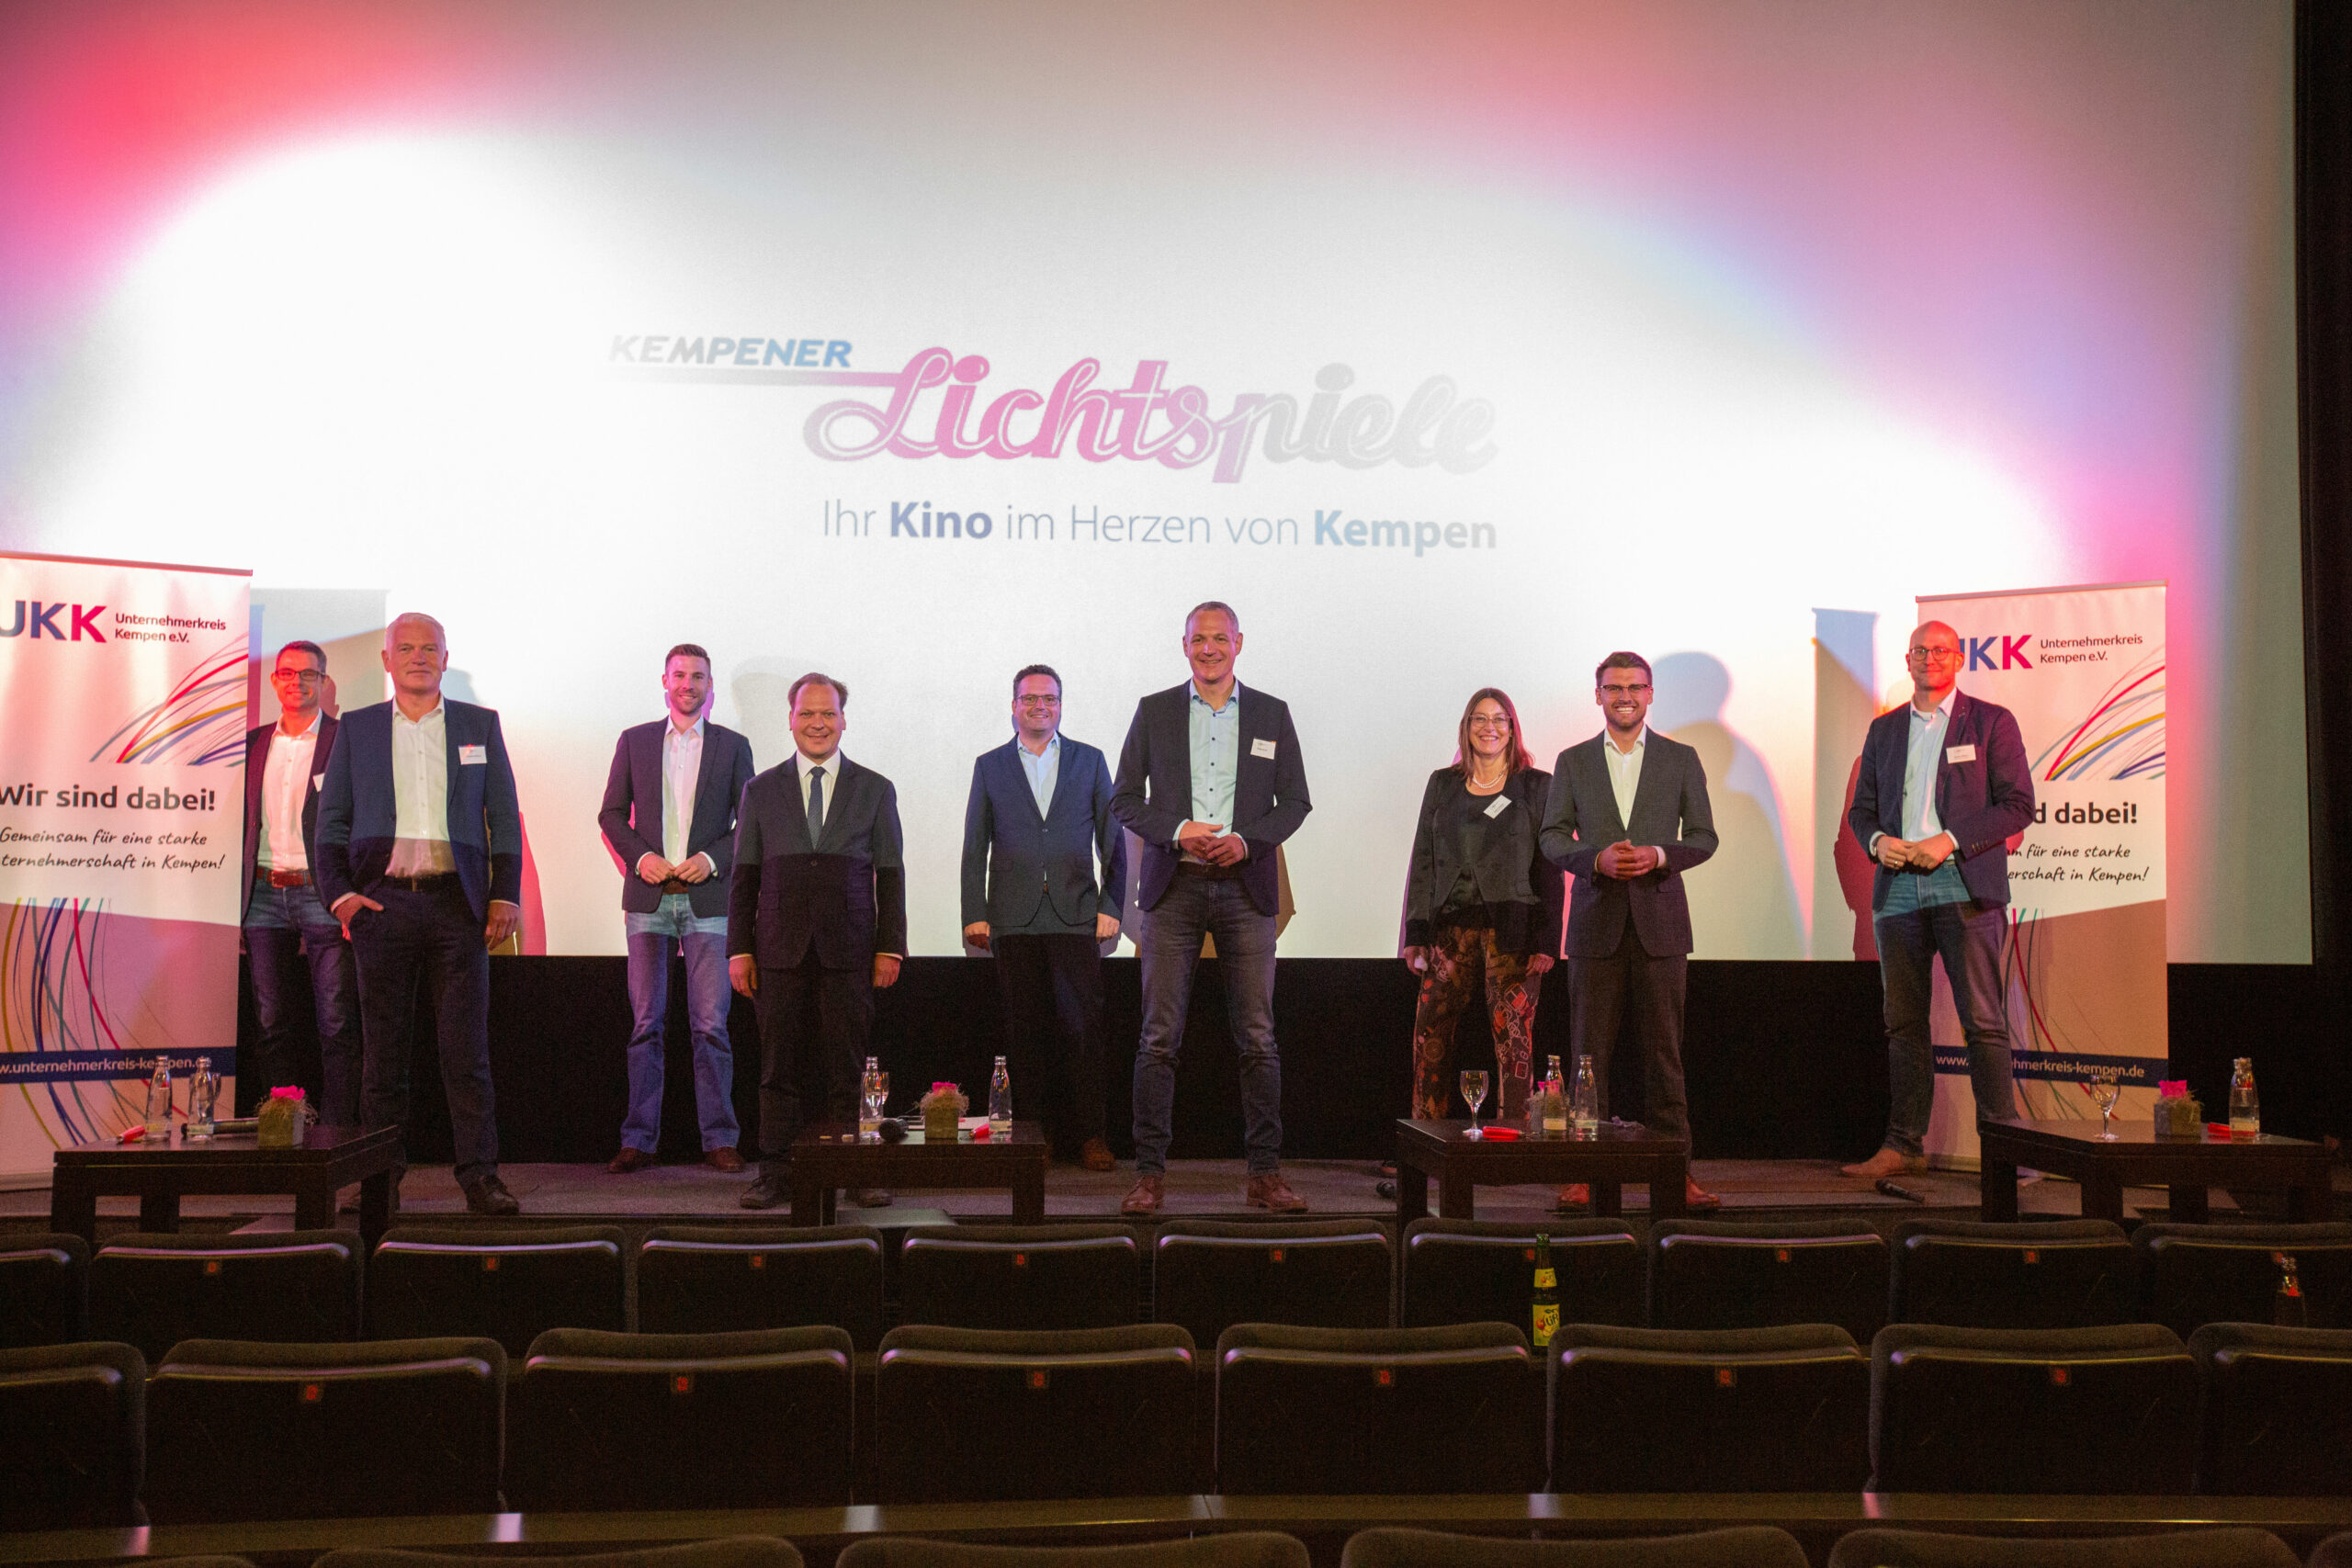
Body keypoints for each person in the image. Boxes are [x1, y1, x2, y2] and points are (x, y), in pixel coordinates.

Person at [314, 613, 524, 1215]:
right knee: (382, 1058)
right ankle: (380, 1182)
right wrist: (341, 897)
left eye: (429, 648)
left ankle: (481, 1178)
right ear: (387, 660)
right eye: (405, 648)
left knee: (467, 1054)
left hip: (459, 908)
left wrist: (505, 893)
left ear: (445, 658)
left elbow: (503, 816)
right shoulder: (357, 729)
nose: (417, 657)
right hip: (384, 906)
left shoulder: (478, 724)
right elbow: (329, 825)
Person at [1111, 602, 1312, 1215]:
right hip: (1174, 887)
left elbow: (1295, 802)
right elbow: (1124, 798)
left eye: (1219, 638)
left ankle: (1265, 1175)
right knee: (1158, 1039)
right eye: (1198, 638)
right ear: (1184, 645)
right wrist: (1178, 830)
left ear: (1238, 643)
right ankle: (1149, 1177)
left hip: (1246, 888)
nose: (1209, 648)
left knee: (1258, 1040)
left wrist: (1247, 841)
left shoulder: (1272, 713)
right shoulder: (1155, 711)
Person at [1840, 619, 2035, 1179]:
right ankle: (1904, 1145)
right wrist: (1878, 843)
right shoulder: (1884, 731)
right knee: (1903, 1023)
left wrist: (1947, 840)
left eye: (1941, 650)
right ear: (1908, 661)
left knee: (1983, 1022)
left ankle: (2003, 1151)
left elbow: (2019, 805)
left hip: (1962, 879)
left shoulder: (1992, 721)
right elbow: (1861, 811)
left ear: (1958, 659)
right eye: (1920, 651)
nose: (1930, 659)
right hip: (1897, 883)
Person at [1539, 650, 1721, 1211]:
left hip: (1661, 929)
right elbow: (1551, 837)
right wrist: (1594, 860)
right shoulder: (1572, 761)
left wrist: (1660, 855)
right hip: (1595, 926)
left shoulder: (1681, 758)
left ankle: (1676, 1175)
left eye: (1635, 687)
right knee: (1587, 1057)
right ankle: (1584, 1174)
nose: (1625, 696)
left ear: (1650, 694)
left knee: (1664, 1057)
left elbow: (1705, 837)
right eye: (1614, 687)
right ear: (1598, 695)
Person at [728, 672, 905, 1210]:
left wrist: (890, 946)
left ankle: (858, 1171)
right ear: (791, 720)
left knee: (849, 1070)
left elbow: (891, 874)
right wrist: (739, 948)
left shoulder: (875, 788)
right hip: (777, 951)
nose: (818, 723)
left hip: (850, 951)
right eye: (807, 713)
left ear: (843, 720)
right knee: (777, 1070)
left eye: (828, 713)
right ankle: (775, 1173)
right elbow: (743, 878)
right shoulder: (760, 790)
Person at [596, 643, 758, 1174]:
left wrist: (710, 860)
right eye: (680, 675)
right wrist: (641, 857)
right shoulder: (635, 740)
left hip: (708, 902)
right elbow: (611, 814)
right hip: (648, 903)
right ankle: (638, 1140)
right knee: (646, 1024)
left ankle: (720, 1139)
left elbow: (749, 822)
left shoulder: (733, 746)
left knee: (710, 1026)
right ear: (665, 681)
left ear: (709, 686)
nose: (689, 684)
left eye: (698, 676)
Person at [961, 665, 1127, 1171]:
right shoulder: (990, 765)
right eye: (1030, 698)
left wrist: (1111, 906)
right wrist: (974, 913)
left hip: (1075, 916)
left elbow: (1113, 841)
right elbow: (974, 846)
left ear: (1060, 705)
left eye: (1049, 698)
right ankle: (1034, 1137)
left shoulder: (1089, 760)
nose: (1040, 706)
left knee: (1083, 1032)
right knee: (1025, 1036)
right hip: (1012, 919)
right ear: (1014, 706)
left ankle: (1091, 1136)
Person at [1397, 689, 1564, 1162]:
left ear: (1512, 728)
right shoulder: (1442, 784)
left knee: (1514, 1046)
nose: (1489, 727)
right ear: (1466, 727)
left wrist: (1548, 939)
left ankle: (1513, 1151)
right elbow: (1423, 858)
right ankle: (1424, 1146)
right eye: (1479, 718)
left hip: (1514, 932)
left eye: (1499, 719)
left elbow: (1550, 866)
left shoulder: (1537, 786)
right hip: (1448, 930)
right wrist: (1415, 935)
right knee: (1430, 1038)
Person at [239, 640, 359, 1120]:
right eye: (288, 673)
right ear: (275, 681)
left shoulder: (345, 739)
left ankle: (339, 1125)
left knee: (336, 1019)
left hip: (322, 891)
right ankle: (285, 1118)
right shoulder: (252, 742)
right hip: (262, 895)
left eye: (308, 674)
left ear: (323, 682)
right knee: (270, 1021)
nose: (297, 682)